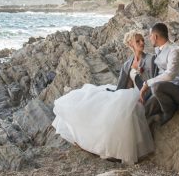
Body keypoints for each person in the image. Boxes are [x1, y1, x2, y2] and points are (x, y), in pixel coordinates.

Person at [51, 31, 155, 165]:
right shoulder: (127, 64)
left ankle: (117, 151)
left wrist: (142, 83)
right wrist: (112, 94)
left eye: (142, 40)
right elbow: (122, 86)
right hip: (128, 93)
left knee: (120, 112)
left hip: (142, 94)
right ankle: (91, 143)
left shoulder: (149, 59)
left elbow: (153, 80)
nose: (142, 43)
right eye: (138, 41)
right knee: (95, 101)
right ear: (131, 44)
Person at [140, 22, 179, 128]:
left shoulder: (175, 51)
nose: (149, 39)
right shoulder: (158, 49)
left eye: (150, 36)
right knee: (143, 111)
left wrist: (147, 83)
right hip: (164, 91)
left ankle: (169, 111)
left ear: (155, 36)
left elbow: (169, 76)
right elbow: (158, 69)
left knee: (156, 86)